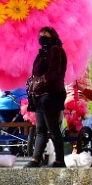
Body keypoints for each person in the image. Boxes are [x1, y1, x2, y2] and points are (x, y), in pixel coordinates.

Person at [25, 26, 68, 168]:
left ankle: (60, 160)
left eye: (45, 34)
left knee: (53, 128)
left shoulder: (56, 50)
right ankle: (36, 159)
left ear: (53, 36)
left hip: (51, 94)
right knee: (40, 129)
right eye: (40, 34)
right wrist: (33, 84)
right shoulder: (44, 51)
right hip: (39, 95)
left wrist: (39, 82)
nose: (42, 36)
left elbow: (53, 73)